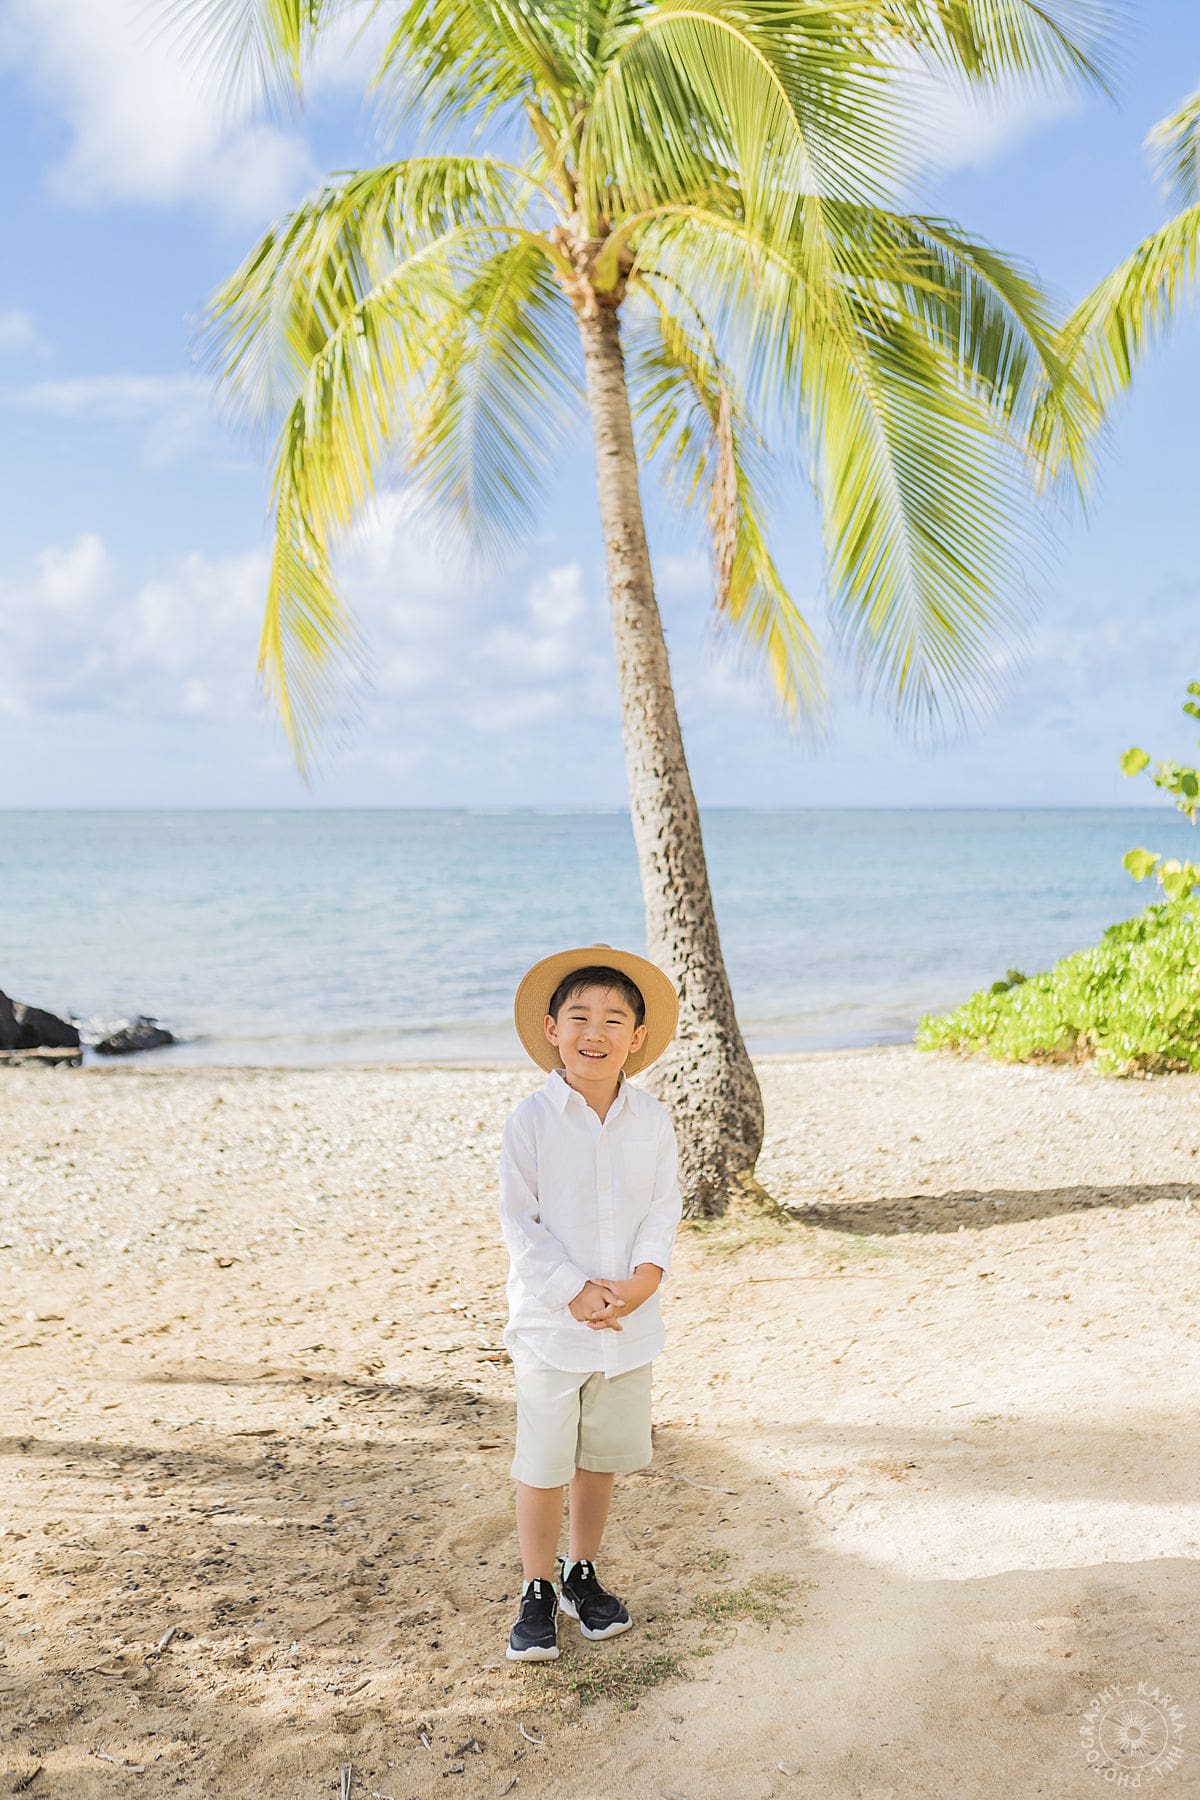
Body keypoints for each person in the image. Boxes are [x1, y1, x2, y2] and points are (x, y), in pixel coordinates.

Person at [498, 942, 682, 1662]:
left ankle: (581, 1572)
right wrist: (573, 1291)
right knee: (543, 1463)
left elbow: (662, 1208)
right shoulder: (532, 1122)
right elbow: (521, 1222)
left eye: (613, 1019)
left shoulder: (651, 1120)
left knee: (599, 1458)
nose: (594, 1032)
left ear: (636, 1038)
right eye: (579, 1017)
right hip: (553, 1327)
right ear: (552, 1030)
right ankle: (537, 1586)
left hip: (628, 1325)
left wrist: (642, 1281)